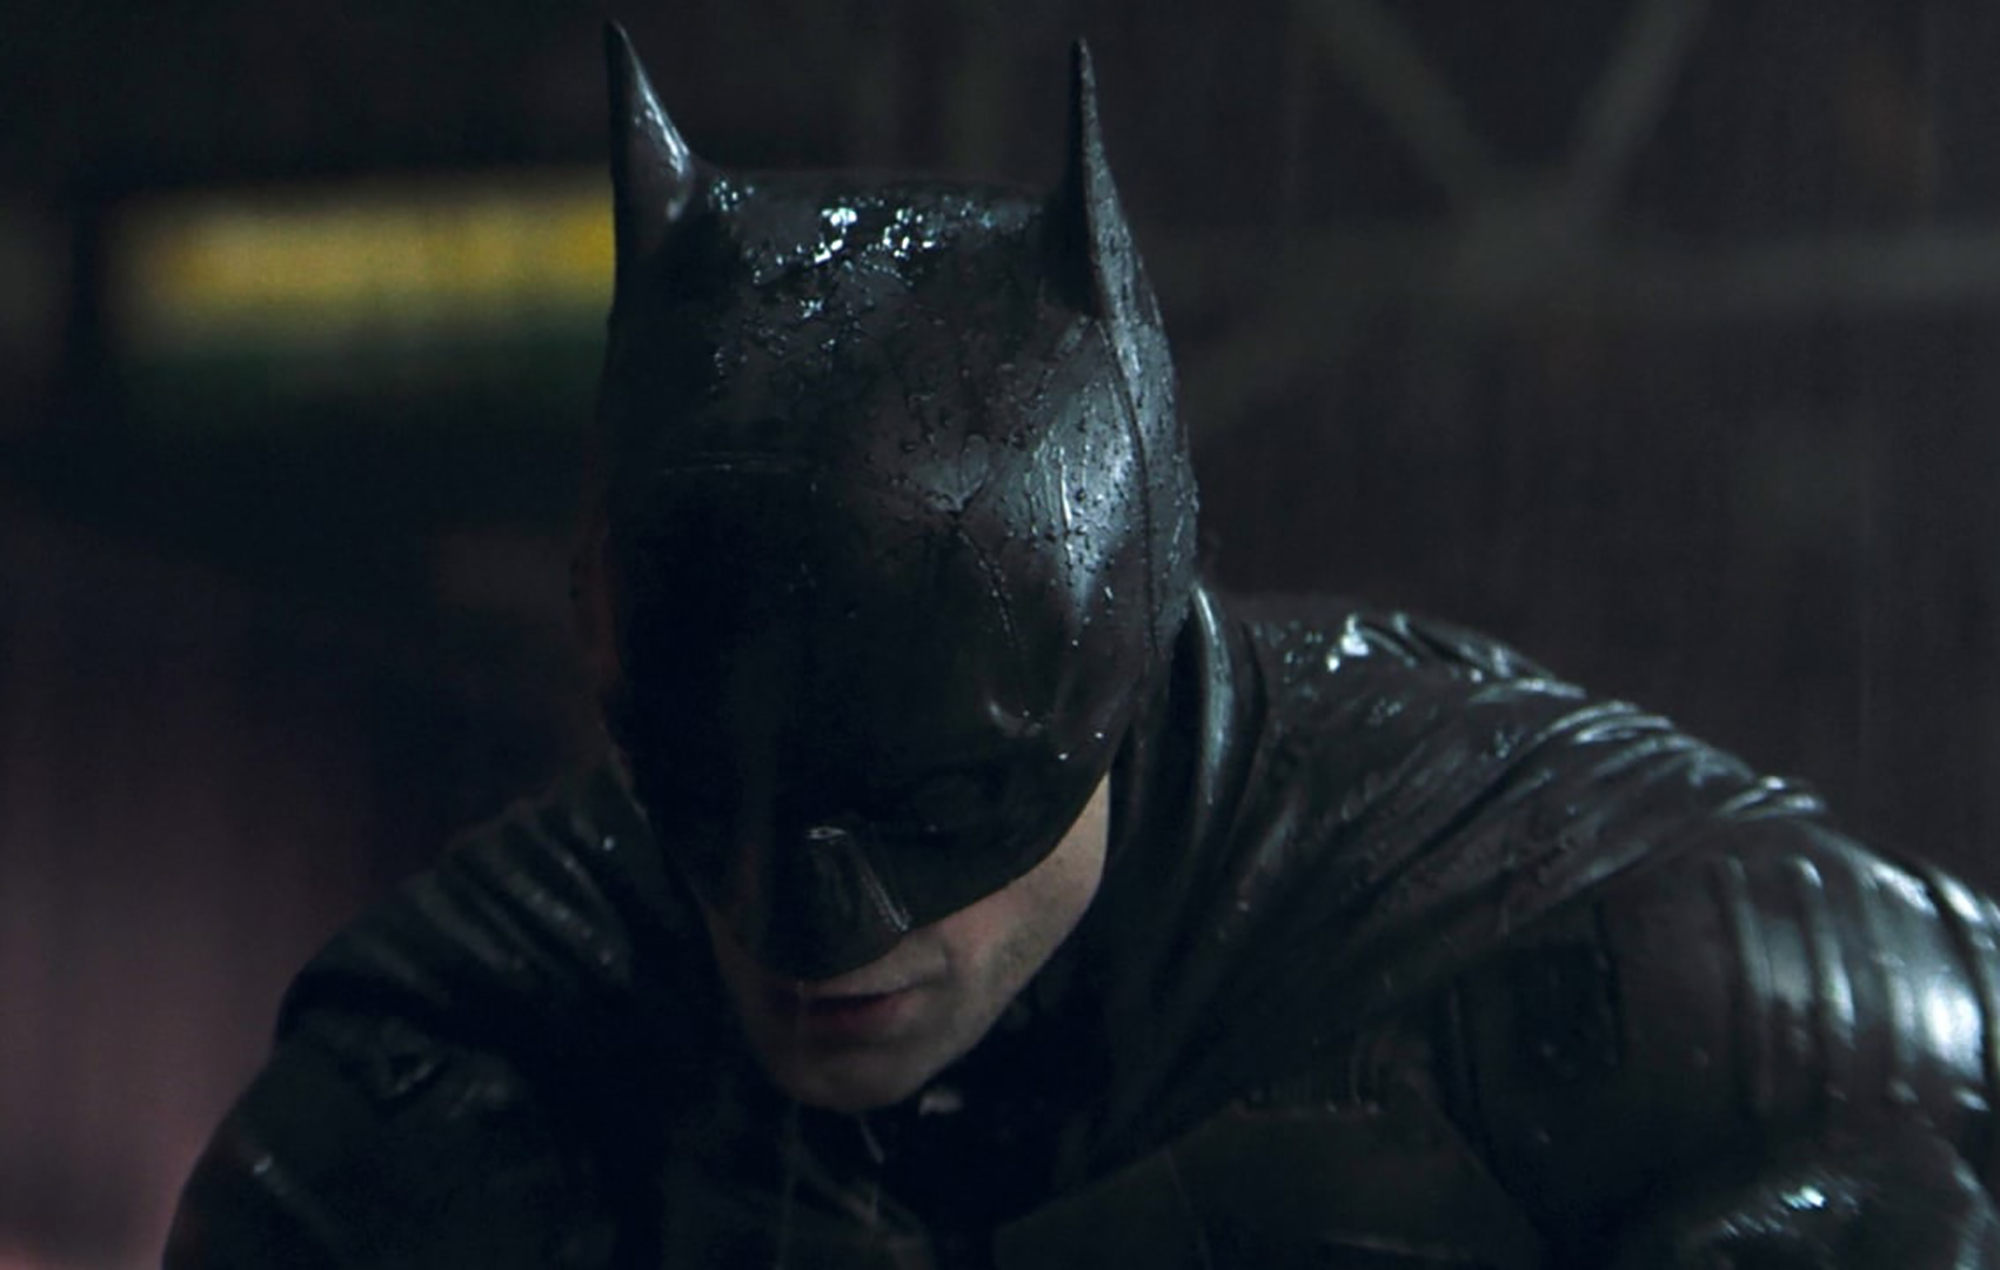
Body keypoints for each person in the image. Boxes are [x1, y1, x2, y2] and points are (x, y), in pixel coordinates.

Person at [166, 25, 2000, 1269]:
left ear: (1116, 686)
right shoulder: (455, 1068)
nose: (818, 928)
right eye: (725, 798)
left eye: (937, 797)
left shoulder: (1636, 968)